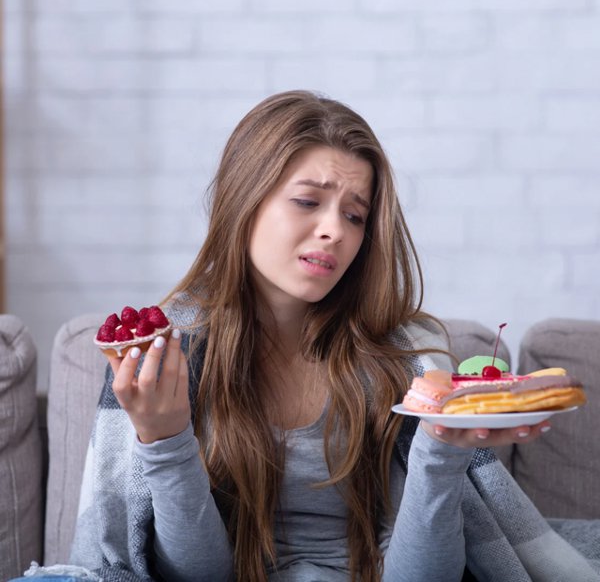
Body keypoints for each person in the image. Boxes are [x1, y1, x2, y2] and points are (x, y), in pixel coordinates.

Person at [15, 91, 600, 582]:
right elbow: (192, 577)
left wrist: (440, 450)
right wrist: (165, 441)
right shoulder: (169, 354)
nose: (333, 232)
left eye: (354, 215)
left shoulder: (403, 354)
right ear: (244, 201)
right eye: (307, 201)